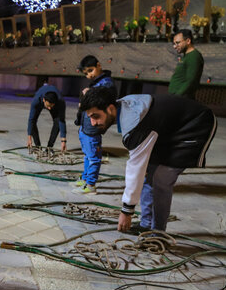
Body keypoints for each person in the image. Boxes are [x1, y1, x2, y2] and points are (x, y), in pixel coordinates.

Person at [79, 88, 217, 232]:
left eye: (95, 116)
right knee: (149, 173)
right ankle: (146, 224)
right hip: (168, 128)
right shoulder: (123, 107)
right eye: (90, 117)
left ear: (111, 108)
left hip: (196, 124)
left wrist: (127, 211)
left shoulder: (135, 124)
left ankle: (158, 233)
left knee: (162, 178)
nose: (93, 123)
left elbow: (135, 169)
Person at [73, 55, 116, 195]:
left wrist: (89, 93)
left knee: (93, 157)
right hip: (85, 127)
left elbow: (104, 100)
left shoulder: (106, 83)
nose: (89, 75)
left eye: (90, 70)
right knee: (87, 155)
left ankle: (91, 184)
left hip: (93, 129)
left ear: (98, 65)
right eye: (86, 73)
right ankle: (86, 178)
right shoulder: (97, 82)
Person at [27, 79, 67, 151]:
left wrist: (63, 141)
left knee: (57, 123)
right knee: (33, 121)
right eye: (48, 106)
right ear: (44, 100)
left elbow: (62, 121)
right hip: (40, 100)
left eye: (51, 106)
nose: (49, 108)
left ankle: (49, 147)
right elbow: (31, 120)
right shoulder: (36, 101)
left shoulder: (60, 102)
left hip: (54, 102)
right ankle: (37, 146)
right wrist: (29, 138)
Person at [168, 29, 204, 99]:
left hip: (182, 100)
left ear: (188, 41)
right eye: (174, 43)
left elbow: (190, 81)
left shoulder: (194, 56)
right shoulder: (186, 56)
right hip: (176, 98)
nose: (174, 46)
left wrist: (177, 96)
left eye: (177, 43)